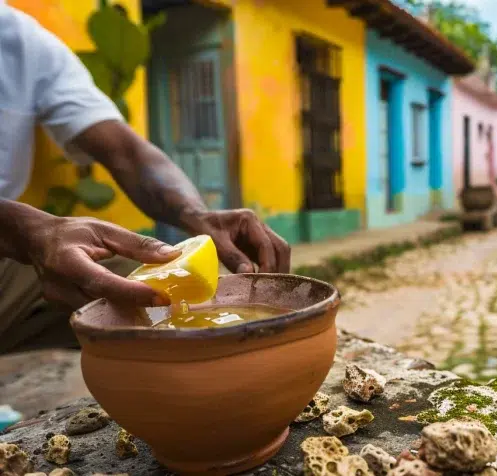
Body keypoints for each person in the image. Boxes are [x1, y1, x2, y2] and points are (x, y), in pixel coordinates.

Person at [0, 5, 290, 353]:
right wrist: (23, 229)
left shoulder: (21, 40)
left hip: (8, 262)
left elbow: (126, 151)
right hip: (11, 240)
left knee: (144, 292)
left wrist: (197, 216)